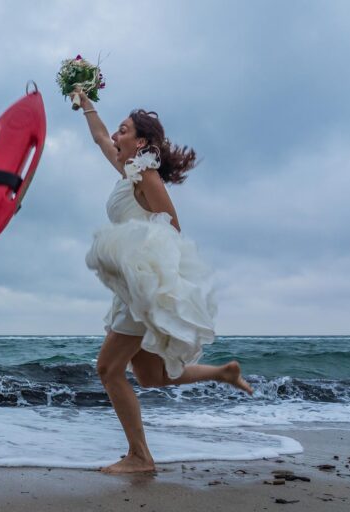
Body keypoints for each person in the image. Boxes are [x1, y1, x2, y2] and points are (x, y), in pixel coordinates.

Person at [75, 91, 253, 474]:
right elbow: (99, 137)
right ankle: (224, 373)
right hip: (131, 285)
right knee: (150, 376)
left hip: (144, 286)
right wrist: (85, 101)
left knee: (108, 369)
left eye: (124, 131)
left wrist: (135, 259)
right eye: (118, 130)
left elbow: (172, 226)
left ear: (140, 142)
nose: (116, 136)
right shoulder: (126, 173)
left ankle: (140, 457)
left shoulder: (146, 175)